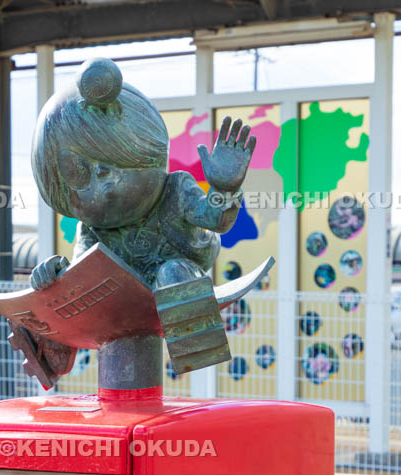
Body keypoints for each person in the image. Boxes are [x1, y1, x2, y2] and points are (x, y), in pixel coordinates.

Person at [29, 57, 257, 375]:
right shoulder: (92, 227)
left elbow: (216, 220)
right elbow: (83, 274)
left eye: (108, 166)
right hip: (122, 294)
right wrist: (54, 274)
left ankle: (197, 348)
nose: (103, 186)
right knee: (58, 295)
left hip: (174, 280)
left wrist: (224, 187)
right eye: (81, 175)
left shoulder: (175, 189)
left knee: (173, 272)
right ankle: (49, 352)